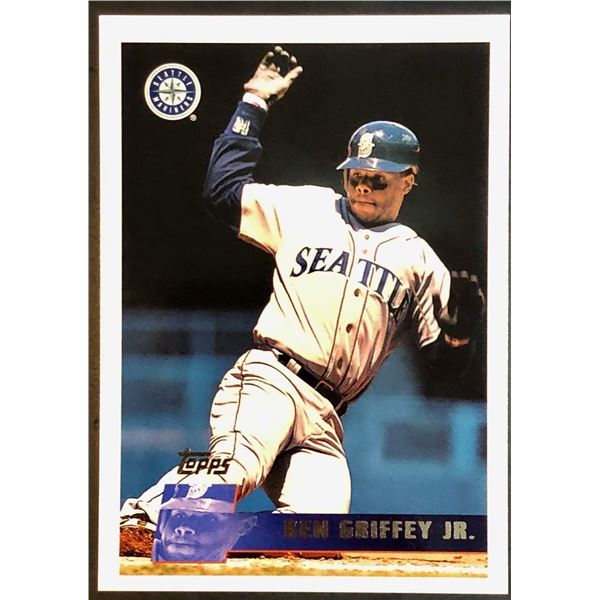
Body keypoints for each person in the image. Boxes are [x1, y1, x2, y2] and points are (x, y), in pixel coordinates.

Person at [120, 46, 484, 552]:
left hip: (326, 415)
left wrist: (462, 334)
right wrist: (254, 100)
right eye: (355, 175)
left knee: (319, 532)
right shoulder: (308, 208)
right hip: (270, 379)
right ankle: (138, 517)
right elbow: (222, 192)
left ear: (409, 180)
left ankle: (211, 538)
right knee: (234, 465)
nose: (362, 186)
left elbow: (445, 374)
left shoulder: (420, 260)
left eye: (377, 179)